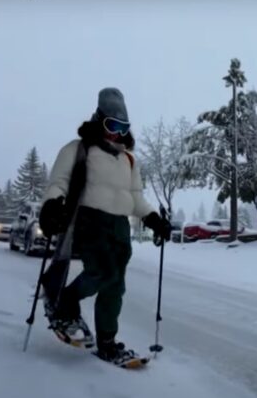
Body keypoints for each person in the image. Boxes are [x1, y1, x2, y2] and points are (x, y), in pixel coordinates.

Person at [38, 87, 171, 365]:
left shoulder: (129, 160)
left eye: (123, 127)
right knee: (102, 272)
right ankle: (64, 302)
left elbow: (135, 198)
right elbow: (58, 183)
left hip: (119, 226)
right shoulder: (78, 149)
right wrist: (52, 205)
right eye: (112, 125)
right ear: (99, 119)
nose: (117, 132)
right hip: (90, 220)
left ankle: (108, 343)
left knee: (116, 285)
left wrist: (153, 219)